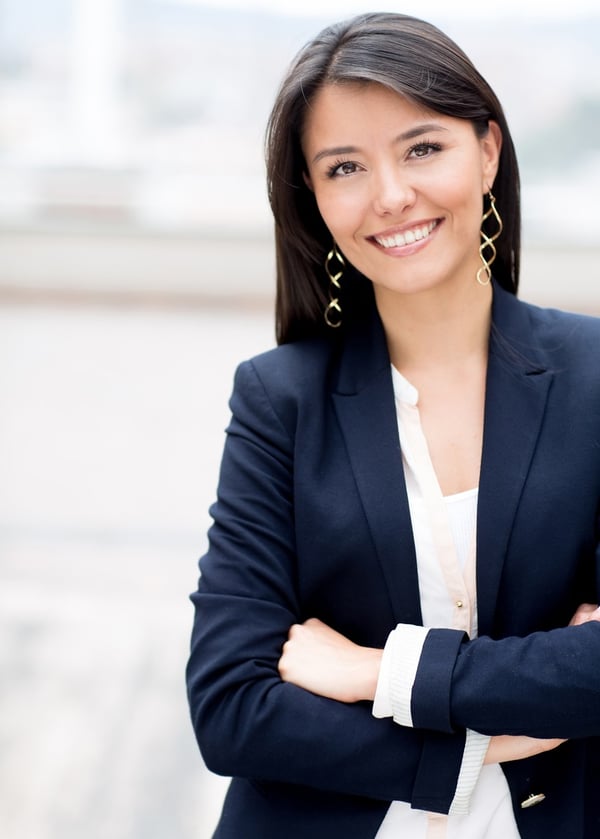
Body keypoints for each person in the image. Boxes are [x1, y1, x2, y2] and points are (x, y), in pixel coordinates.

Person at [186, 12, 600, 839]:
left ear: (486, 150)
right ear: (315, 197)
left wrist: (377, 670)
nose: (390, 196)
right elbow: (231, 706)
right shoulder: (280, 399)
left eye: (421, 148)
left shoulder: (594, 375)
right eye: (345, 166)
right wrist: (477, 748)